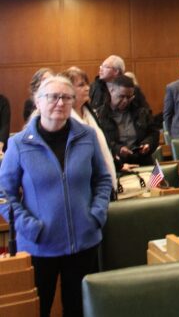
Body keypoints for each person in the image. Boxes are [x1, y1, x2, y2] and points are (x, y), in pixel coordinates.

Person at [0, 75, 112, 317]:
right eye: (52, 97)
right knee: (39, 309)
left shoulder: (87, 136)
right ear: (38, 103)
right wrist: (28, 226)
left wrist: (96, 214)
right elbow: (4, 193)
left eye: (66, 97)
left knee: (80, 309)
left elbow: (103, 179)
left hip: (84, 241)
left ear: (73, 102)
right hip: (39, 245)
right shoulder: (19, 144)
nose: (60, 103)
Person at [60, 67, 117, 190]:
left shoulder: (90, 113)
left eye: (87, 84)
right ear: (68, 90)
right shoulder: (62, 119)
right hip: (80, 184)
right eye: (81, 85)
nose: (87, 88)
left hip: (101, 179)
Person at [96, 75, 159, 168]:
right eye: (121, 96)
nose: (125, 101)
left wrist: (148, 144)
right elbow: (101, 141)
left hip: (143, 162)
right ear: (111, 91)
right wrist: (118, 149)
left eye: (129, 97)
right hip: (117, 165)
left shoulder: (141, 111)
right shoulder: (100, 115)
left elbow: (154, 133)